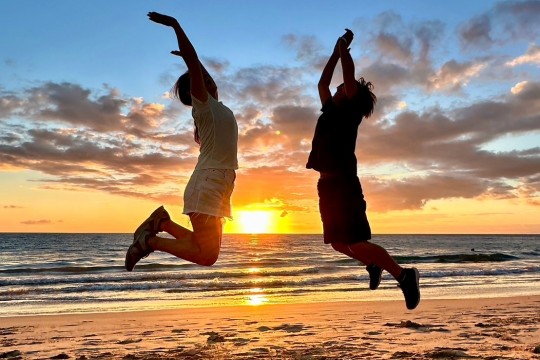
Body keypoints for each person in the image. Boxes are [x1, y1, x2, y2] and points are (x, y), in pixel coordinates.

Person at [306, 29, 420, 310]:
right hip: (327, 185)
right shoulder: (330, 109)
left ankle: (404, 275)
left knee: (355, 242)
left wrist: (345, 47)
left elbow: (347, 75)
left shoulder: (350, 112)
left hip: (344, 184)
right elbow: (322, 82)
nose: (337, 89)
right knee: (336, 243)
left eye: (342, 88)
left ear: (352, 95)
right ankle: (372, 263)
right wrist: (334, 52)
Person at [125, 12, 238, 271]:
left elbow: (202, 72)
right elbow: (194, 62)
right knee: (207, 256)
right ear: (193, 92)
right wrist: (176, 26)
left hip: (220, 183)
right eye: (203, 79)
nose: (209, 81)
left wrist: (197, 66)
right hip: (209, 181)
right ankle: (151, 241)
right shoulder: (204, 107)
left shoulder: (215, 107)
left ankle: (162, 224)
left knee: (205, 251)